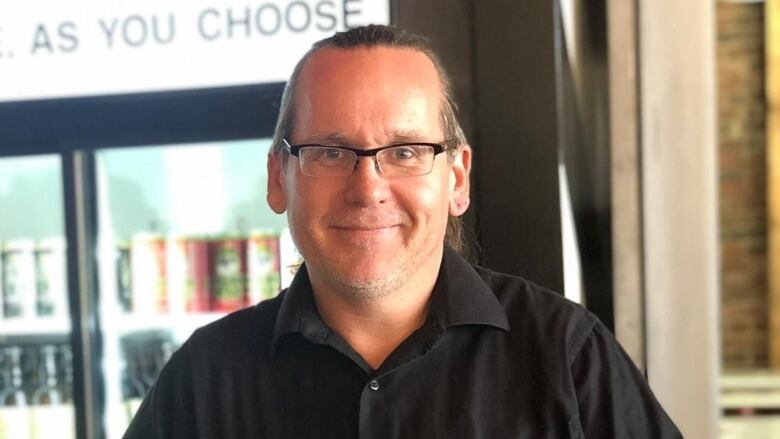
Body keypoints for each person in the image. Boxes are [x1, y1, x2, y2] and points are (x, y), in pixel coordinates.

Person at [124, 25, 682, 438]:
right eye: (330, 151)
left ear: (456, 178)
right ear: (278, 178)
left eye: (406, 151)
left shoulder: (565, 356)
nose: (367, 188)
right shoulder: (203, 380)